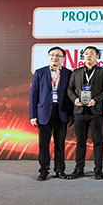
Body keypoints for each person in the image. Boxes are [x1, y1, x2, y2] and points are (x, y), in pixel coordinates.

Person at [66, 46, 103, 180]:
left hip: (95, 111)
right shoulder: (76, 72)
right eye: (86, 53)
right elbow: (69, 89)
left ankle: (98, 169)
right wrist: (75, 99)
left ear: (97, 56)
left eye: (92, 53)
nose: (88, 56)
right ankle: (79, 169)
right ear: (83, 56)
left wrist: (96, 100)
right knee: (80, 141)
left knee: (97, 141)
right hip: (79, 111)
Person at [29, 46, 73, 181]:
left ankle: (60, 170)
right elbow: (34, 95)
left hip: (61, 112)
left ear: (63, 58)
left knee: (60, 144)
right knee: (44, 144)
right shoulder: (40, 72)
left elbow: (71, 95)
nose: (55, 58)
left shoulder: (68, 73)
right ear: (49, 57)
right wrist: (33, 115)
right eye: (52, 55)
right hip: (44, 113)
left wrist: (71, 114)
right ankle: (44, 170)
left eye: (58, 55)